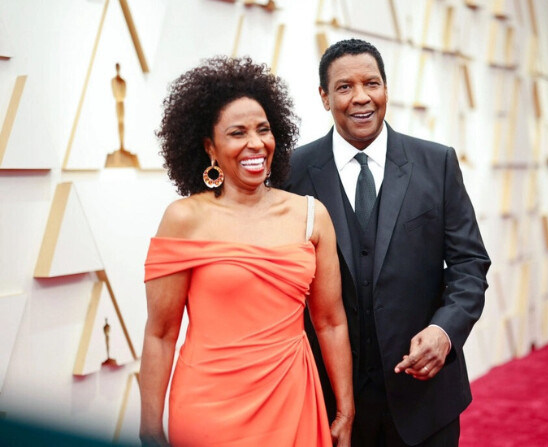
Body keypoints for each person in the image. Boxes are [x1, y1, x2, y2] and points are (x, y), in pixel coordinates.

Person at [139, 56, 354, 447]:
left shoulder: (311, 216)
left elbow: (330, 322)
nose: (256, 144)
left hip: (292, 402)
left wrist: (344, 408)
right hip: (206, 409)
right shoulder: (184, 219)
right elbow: (161, 333)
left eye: (264, 130)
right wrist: (150, 428)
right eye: (237, 133)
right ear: (210, 148)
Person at [286, 39, 491, 447]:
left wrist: (444, 331)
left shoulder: (438, 163)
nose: (361, 97)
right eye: (344, 87)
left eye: (372, 83)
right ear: (324, 97)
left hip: (425, 402)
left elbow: (470, 267)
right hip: (331, 402)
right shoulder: (293, 172)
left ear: (386, 90)